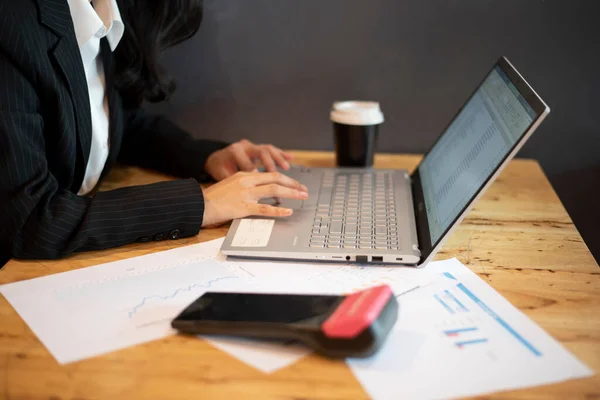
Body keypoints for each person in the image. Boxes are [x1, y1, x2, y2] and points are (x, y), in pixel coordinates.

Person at [0, 0, 308, 261]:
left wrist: (205, 157)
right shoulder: (13, 26)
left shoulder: (103, 10)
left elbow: (111, 124)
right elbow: (30, 219)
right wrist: (202, 204)